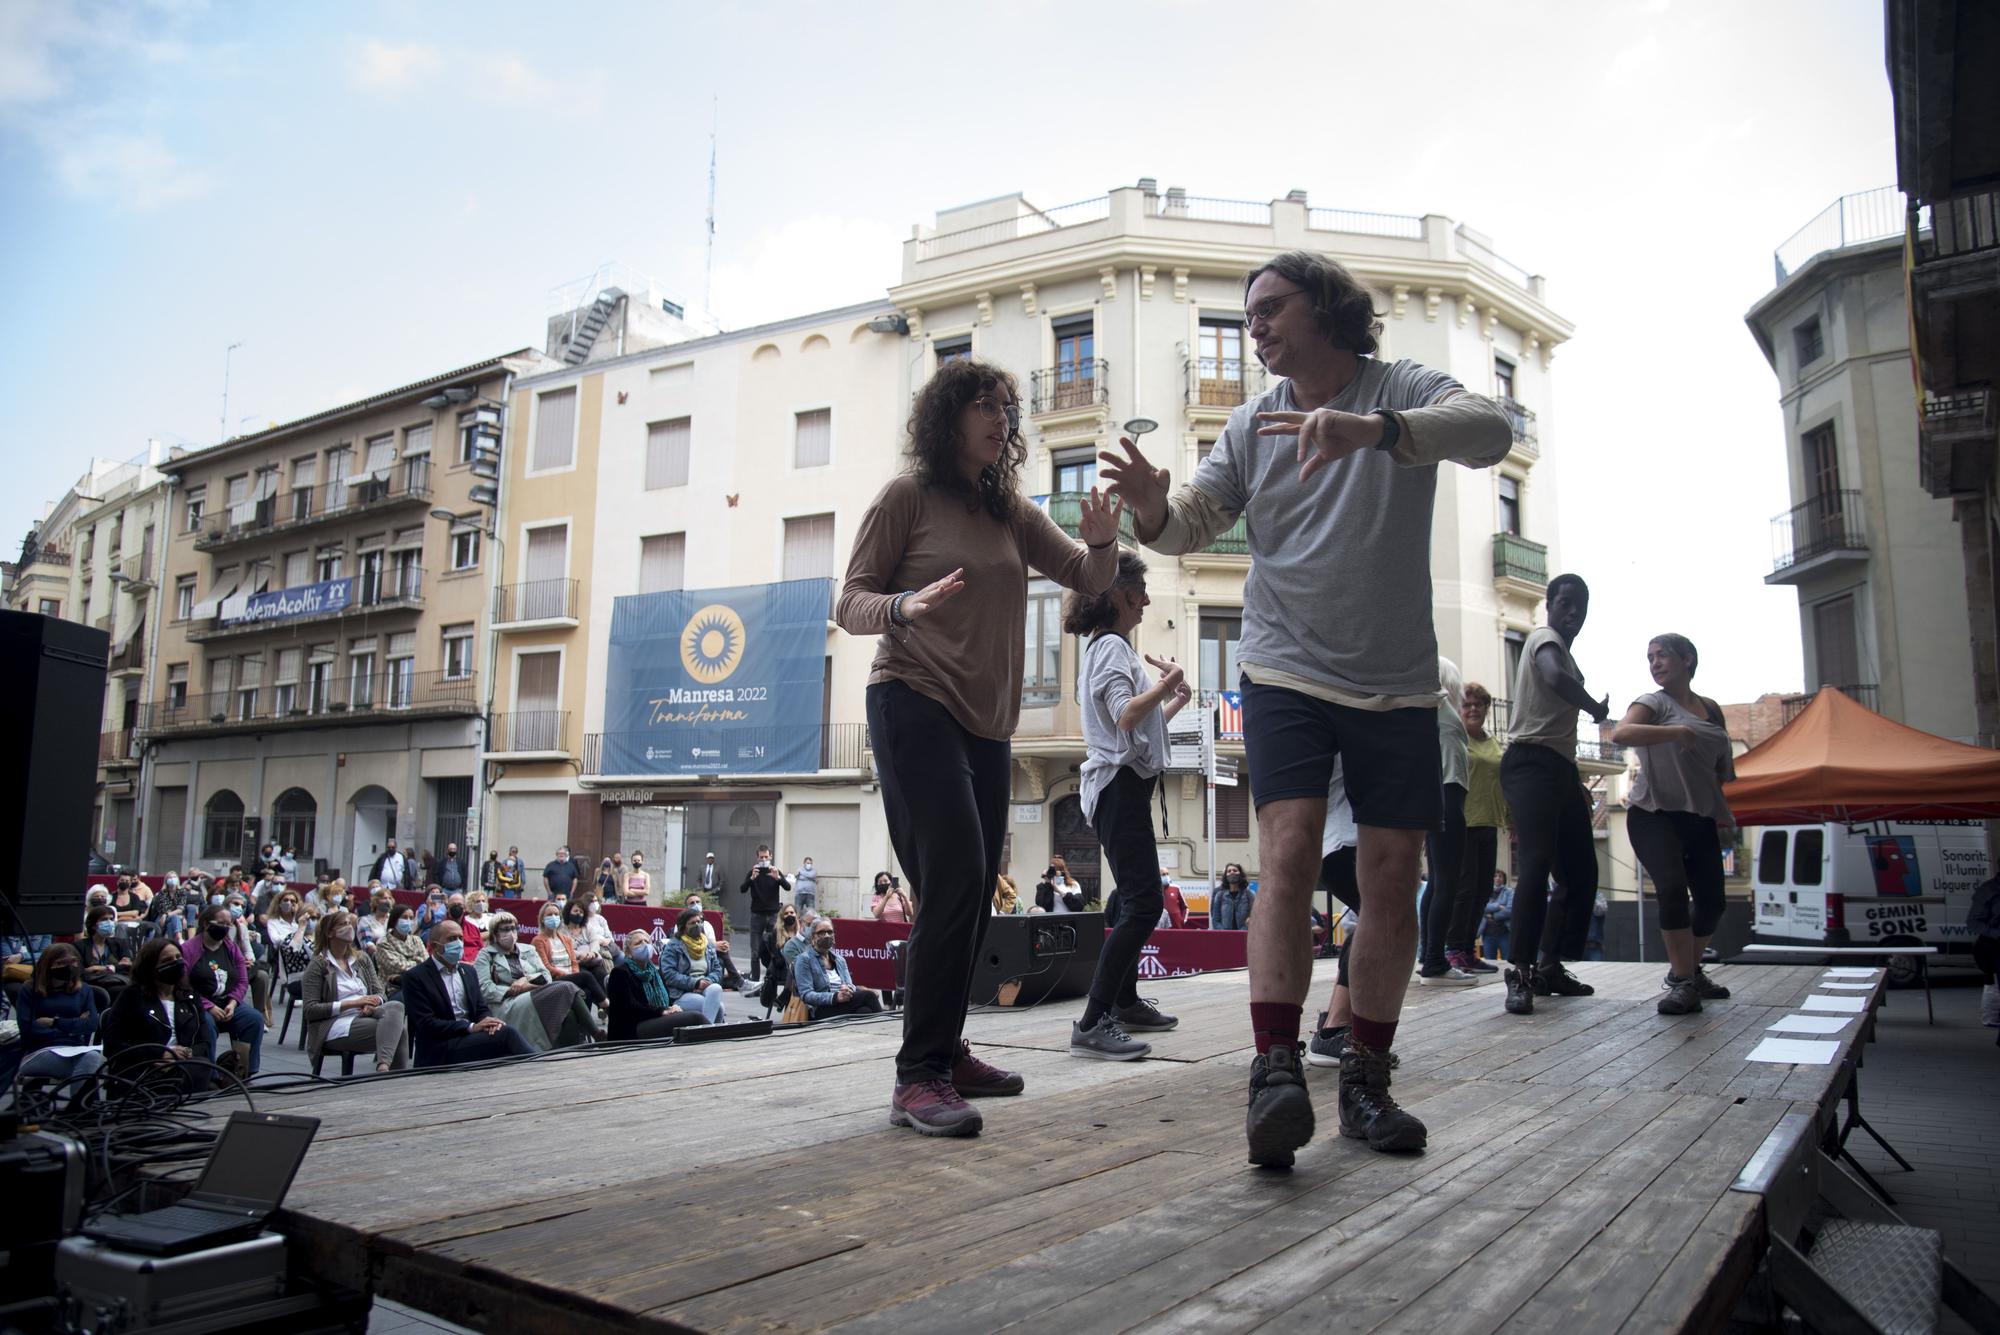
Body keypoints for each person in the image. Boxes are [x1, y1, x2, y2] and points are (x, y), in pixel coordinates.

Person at [1100, 249, 1512, 1164]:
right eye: (1249, 316)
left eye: (1272, 308)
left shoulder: (1398, 382)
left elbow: (1491, 428)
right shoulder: (1250, 424)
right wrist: (1152, 512)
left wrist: (1373, 432)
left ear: (1328, 307)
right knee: (1285, 849)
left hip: (1398, 679)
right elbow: (1190, 525)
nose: (1255, 328)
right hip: (1283, 665)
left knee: (1392, 873)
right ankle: (1275, 1071)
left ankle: (1365, 1080)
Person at [837, 356, 1122, 1137]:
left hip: (988, 723)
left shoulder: (1010, 511)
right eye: (985, 405)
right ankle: (917, 1076)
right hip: (912, 697)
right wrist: (902, 604)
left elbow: (1086, 578)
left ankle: (947, 1050)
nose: (1002, 418)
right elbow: (850, 598)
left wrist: (1102, 543)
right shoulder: (908, 497)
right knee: (957, 873)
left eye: (1007, 407)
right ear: (948, 417)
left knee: (967, 889)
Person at [1068, 548, 1191, 1061]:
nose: (1145, 601)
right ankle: (1093, 1020)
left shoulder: (1107, 647)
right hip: (1117, 787)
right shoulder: (1114, 647)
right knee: (1144, 903)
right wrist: (1164, 682)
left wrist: (1174, 696)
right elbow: (1123, 716)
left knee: (1138, 898)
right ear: (1119, 595)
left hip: (1121, 787)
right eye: (1139, 592)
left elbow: (1136, 719)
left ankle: (1124, 999)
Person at [1499, 573, 1612, 1016]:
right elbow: (1551, 677)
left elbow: (1558, 726)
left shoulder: (1564, 648)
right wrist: (1595, 708)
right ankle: (1521, 972)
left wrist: (1575, 779)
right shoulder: (1544, 639)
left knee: (1582, 872)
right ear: (1549, 605)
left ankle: (1549, 965)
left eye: (1580, 606)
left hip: (1560, 768)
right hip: (1530, 762)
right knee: (1536, 863)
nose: (1573, 613)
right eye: (1566, 603)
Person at [1610, 633, 1738, 1015]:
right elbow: (1621, 733)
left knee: (1713, 902)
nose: (1655, 663)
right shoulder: (1653, 703)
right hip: (1652, 814)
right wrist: (1676, 732)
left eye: (1662, 655)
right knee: (1670, 888)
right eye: (1649, 658)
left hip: (1698, 817)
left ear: (1688, 659)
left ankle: (1690, 972)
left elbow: (1720, 771)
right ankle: (1682, 982)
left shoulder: (1712, 710)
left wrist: (1720, 810)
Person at [1417, 658, 1480, 987]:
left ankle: (1430, 955)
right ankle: (1434, 961)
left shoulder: (1429, 711)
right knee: (1447, 883)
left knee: (1438, 883)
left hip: (1436, 798)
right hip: (1449, 797)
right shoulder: (1445, 711)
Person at [400, 920, 536, 1067]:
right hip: (439, 1047)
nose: (458, 943)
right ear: (434, 946)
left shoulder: (468, 971)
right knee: (507, 1035)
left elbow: (481, 1008)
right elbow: (426, 1024)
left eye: (460, 938)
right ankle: (540, 1067)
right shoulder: (415, 977)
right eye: (452, 939)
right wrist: (470, 1027)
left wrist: (488, 1022)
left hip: (469, 1038)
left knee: (502, 1037)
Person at [302, 911, 409, 1073]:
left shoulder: (362, 959)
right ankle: (389, 1075)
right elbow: (310, 1010)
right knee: (399, 1031)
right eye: (342, 924)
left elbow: (381, 993)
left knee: (395, 1006)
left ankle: (384, 1068)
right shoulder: (318, 965)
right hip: (336, 1023)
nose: (349, 928)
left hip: (367, 1014)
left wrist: (372, 1003)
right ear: (330, 933)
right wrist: (354, 1003)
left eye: (349, 924)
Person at [475, 911, 598, 1050]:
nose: (510, 932)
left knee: (567, 1012)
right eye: (505, 929)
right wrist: (511, 990)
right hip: (508, 1002)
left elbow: (546, 976)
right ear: (495, 934)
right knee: (567, 987)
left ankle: (572, 1049)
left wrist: (525, 981)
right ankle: (597, 1034)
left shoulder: (528, 949)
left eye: (513, 928)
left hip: (535, 992)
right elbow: (484, 989)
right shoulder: (485, 955)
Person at [102, 938, 213, 1090]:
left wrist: (184, 1054)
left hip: (183, 1065)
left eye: (178, 958)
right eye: (167, 960)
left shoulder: (190, 997)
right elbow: (112, 1044)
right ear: (151, 967)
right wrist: (160, 1053)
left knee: (201, 1067)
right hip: (143, 1066)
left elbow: (205, 1042)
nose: (175, 962)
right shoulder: (132, 996)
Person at [1454, 684, 1508, 975]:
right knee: (1464, 889)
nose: (1473, 709)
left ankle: (1467, 950)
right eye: (1468, 704)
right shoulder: (1456, 739)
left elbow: (1502, 783)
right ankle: (1454, 949)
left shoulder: (1493, 742)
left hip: (1489, 821)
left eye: (1479, 704)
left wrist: (1510, 819)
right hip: (1462, 821)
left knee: (1483, 890)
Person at [188, 904, 265, 1075]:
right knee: (206, 1024)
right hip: (200, 1004)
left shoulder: (231, 947)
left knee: (253, 1019)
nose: (225, 927)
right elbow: (185, 985)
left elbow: (242, 980)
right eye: (221, 923)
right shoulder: (190, 948)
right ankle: (210, 1075)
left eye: (228, 924)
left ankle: (244, 1070)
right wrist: (209, 1006)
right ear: (207, 924)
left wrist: (233, 1002)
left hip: (227, 1002)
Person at [15, 944, 107, 1087]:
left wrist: (54, 1022)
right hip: (39, 1052)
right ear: (47, 965)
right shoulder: (28, 991)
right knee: (88, 1066)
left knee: (92, 1057)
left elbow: (91, 1024)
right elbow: (29, 1030)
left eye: (73, 962)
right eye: (61, 963)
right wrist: (74, 1027)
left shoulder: (84, 990)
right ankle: (80, 1108)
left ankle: (78, 1107)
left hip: (76, 1050)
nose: (68, 966)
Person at [607, 930, 710, 1040]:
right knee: (695, 1018)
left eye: (647, 942)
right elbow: (628, 1008)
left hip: (653, 1020)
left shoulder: (656, 973)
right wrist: (661, 1011)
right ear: (628, 952)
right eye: (638, 943)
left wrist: (671, 1007)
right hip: (631, 1028)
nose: (644, 945)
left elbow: (667, 1000)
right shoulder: (620, 973)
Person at [793, 919, 884, 1020]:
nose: (827, 935)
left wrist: (848, 990)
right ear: (813, 936)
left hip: (844, 1003)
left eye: (830, 932)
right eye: (822, 932)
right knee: (869, 996)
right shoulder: (804, 959)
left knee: (865, 1011)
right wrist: (835, 997)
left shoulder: (840, 960)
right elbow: (806, 995)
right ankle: (886, 1028)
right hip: (822, 1009)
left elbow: (850, 985)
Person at [534, 900, 611, 1010]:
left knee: (587, 991)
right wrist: (565, 973)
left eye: (556, 914)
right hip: (554, 978)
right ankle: (605, 1003)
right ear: (542, 919)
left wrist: (574, 973)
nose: (553, 917)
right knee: (586, 976)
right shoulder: (539, 940)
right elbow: (545, 966)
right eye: (549, 915)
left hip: (570, 975)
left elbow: (573, 961)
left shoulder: (566, 939)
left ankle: (585, 1026)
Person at [662, 906, 728, 1023]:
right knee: (719, 1008)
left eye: (699, 921)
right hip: (682, 993)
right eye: (692, 923)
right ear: (683, 927)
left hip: (705, 987)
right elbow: (669, 975)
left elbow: (717, 970)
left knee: (716, 988)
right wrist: (695, 983)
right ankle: (707, 1033)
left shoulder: (707, 945)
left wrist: (706, 982)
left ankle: (706, 1032)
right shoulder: (673, 946)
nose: (697, 925)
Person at [741, 849, 790, 985]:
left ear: (771, 857)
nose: (764, 860)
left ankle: (772, 978)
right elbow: (742, 889)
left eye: (766, 857)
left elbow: (788, 887)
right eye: (761, 857)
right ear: (757, 857)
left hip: (773, 914)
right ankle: (755, 981)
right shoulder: (753, 872)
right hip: (757, 914)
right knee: (755, 950)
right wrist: (751, 879)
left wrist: (778, 878)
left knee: (774, 949)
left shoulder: (775, 871)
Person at [375, 903, 428, 995]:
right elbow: (398, 967)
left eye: (411, 918)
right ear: (394, 920)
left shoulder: (416, 940)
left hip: (418, 982)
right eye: (404, 917)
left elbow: (427, 963)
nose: (408, 921)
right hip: (393, 988)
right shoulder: (383, 943)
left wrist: (409, 962)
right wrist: (417, 960)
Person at [78, 906, 132, 992]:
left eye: (111, 919)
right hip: (92, 986)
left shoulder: (120, 943)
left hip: (116, 982)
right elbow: (81, 972)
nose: (109, 922)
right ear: (93, 925)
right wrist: (116, 967)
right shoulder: (80, 946)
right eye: (104, 919)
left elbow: (127, 967)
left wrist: (99, 968)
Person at [1210, 864, 1253, 931]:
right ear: (1225, 876)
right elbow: (1215, 920)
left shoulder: (1249, 895)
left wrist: (1241, 932)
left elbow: (1253, 917)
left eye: (1235, 870)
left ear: (1240, 874)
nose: (1232, 872)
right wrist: (1225, 933)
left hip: (1244, 936)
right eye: (1229, 871)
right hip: (1225, 937)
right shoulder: (1219, 895)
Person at [1482, 873, 1514, 964]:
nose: (1497, 878)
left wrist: (1492, 915)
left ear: (1504, 879)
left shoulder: (1510, 892)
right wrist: (1499, 906)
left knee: (1507, 962)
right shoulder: (1486, 891)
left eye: (1500, 876)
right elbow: (1482, 907)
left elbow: (1510, 910)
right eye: (1495, 876)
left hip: (1505, 933)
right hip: (1488, 933)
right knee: (1489, 962)